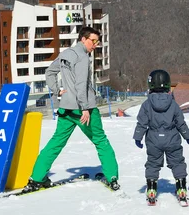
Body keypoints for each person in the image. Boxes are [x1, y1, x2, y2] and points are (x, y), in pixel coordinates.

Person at [26, 26, 120, 191]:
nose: (95, 45)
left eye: (97, 41)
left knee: (56, 143)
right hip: (84, 109)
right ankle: (112, 177)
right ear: (83, 39)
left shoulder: (66, 54)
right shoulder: (83, 57)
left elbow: (49, 72)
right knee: (101, 141)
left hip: (66, 109)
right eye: (93, 41)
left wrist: (57, 90)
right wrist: (84, 108)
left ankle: (36, 177)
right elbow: (81, 84)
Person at [133, 69, 189, 202]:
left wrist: (138, 137)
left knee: (153, 163)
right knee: (177, 162)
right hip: (172, 139)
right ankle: (181, 186)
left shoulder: (146, 104)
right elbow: (180, 123)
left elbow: (142, 123)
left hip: (153, 140)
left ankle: (151, 187)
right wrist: (188, 137)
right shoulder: (173, 104)